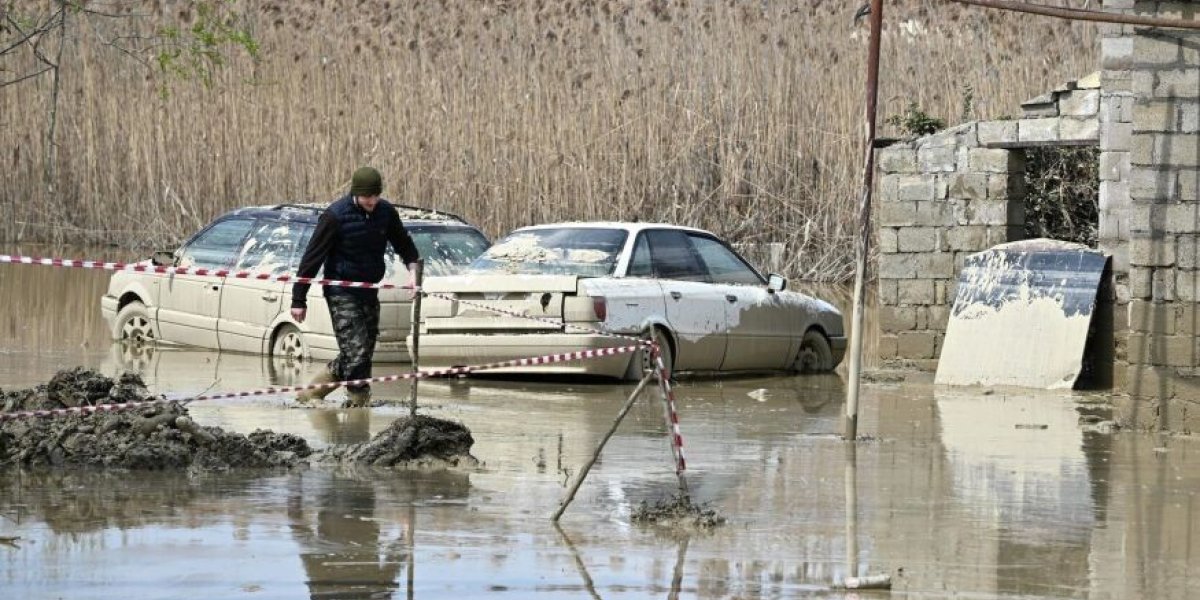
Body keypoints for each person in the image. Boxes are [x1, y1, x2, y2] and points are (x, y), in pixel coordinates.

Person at [290, 166, 420, 407]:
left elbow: (404, 243)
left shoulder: (385, 212)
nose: (372, 201)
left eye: (376, 196)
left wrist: (413, 271)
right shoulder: (335, 216)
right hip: (341, 292)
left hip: (369, 290)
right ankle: (358, 406)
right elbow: (312, 258)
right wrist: (299, 299)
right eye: (367, 197)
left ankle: (310, 394)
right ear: (356, 194)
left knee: (361, 353)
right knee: (357, 352)